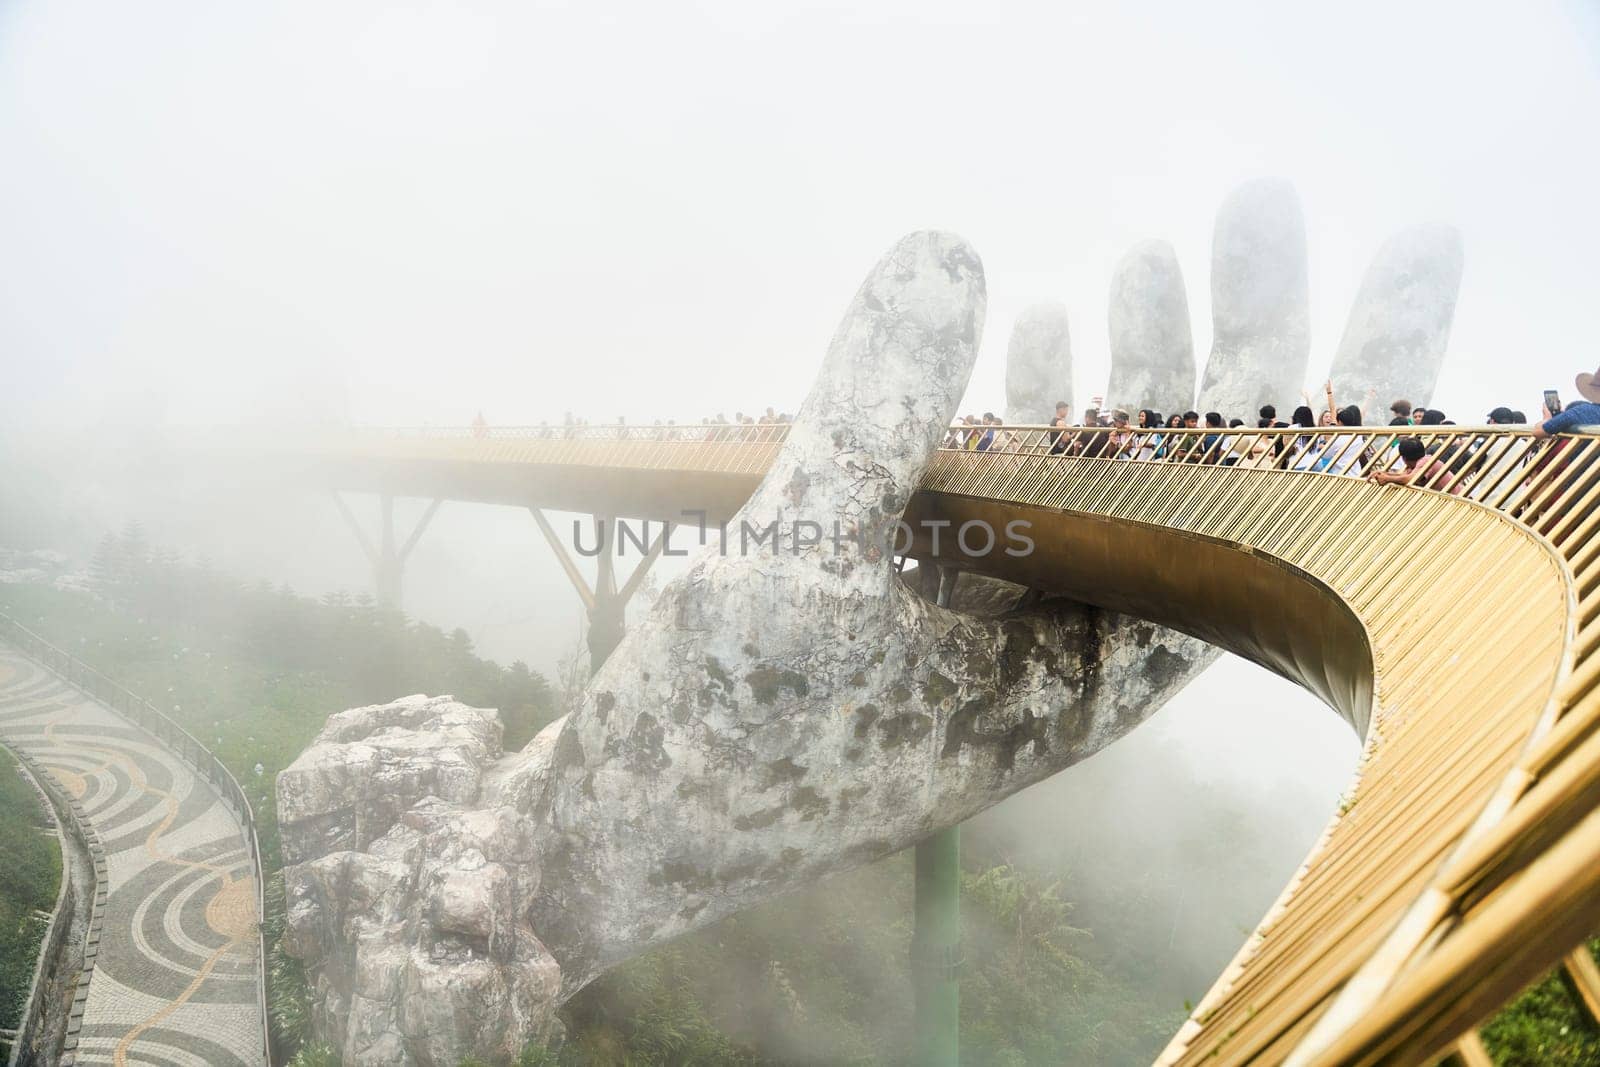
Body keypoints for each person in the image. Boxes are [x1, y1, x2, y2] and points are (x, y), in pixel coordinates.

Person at [1371, 437, 1461, 493]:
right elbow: (1403, 476)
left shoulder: (1425, 462)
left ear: (1403, 458)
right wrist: (1383, 473)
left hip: (1459, 503)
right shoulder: (1420, 462)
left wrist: (1387, 479)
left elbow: (1410, 479)